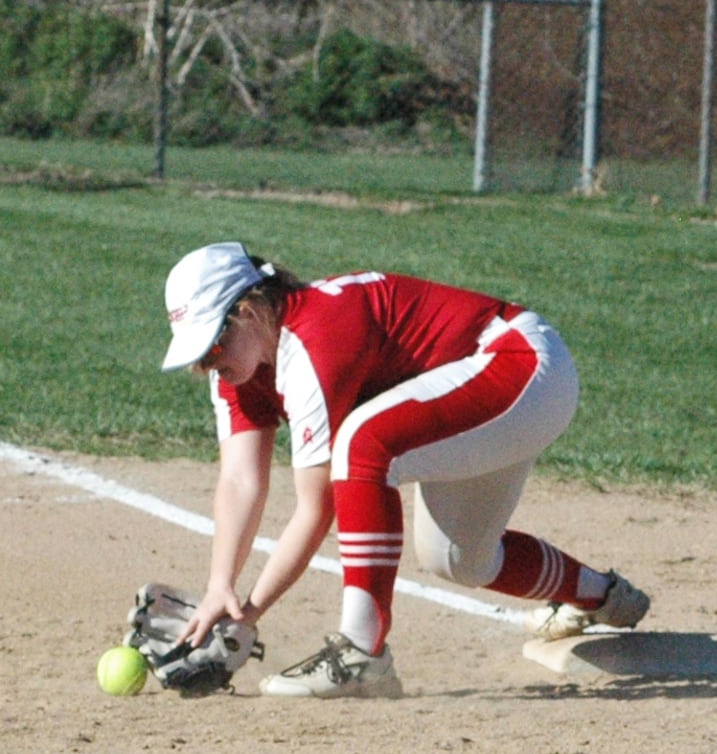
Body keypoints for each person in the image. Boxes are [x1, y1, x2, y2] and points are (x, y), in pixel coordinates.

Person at [159, 242, 651, 698]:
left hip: (520, 367)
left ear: (248, 312)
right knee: (459, 558)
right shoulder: (241, 371)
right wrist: (219, 590)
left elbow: (317, 507)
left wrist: (248, 616)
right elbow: (240, 480)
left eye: (212, 347)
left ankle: (361, 651)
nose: (207, 364)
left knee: (362, 443)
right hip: (476, 395)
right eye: (197, 356)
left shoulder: (312, 339)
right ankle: (600, 597)